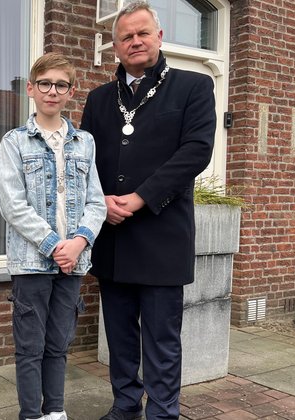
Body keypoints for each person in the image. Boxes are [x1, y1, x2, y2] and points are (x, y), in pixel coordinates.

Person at [79, 2, 216, 420]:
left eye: (142, 33)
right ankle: (125, 406)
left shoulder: (193, 86)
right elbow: (84, 158)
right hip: (113, 239)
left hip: (161, 236)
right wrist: (98, 199)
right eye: (126, 37)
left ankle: (161, 412)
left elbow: (196, 152)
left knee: (161, 338)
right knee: (119, 335)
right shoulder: (99, 98)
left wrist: (139, 198)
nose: (135, 41)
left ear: (159, 36)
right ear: (116, 48)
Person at [0, 52, 106, 420]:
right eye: (45, 84)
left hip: (73, 262)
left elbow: (96, 202)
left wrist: (77, 243)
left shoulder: (85, 143)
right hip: (32, 262)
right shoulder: (14, 142)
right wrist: (54, 245)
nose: (52, 91)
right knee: (30, 347)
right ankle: (31, 414)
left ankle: (55, 412)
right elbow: (12, 205)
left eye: (61, 84)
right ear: (31, 89)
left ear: (71, 91)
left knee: (59, 344)